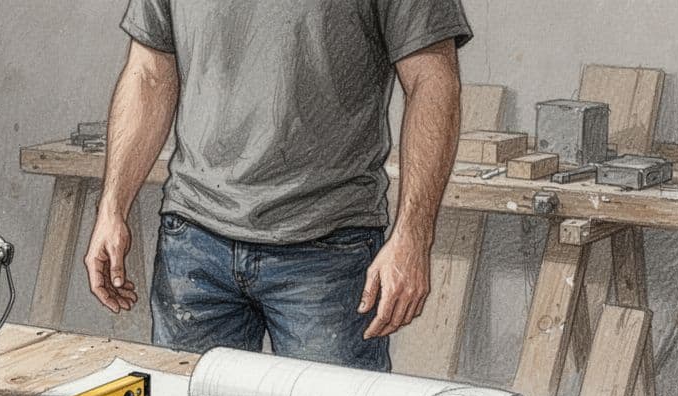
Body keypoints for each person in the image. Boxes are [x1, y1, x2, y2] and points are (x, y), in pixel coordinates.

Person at [83, 0, 472, 373]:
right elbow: (149, 73)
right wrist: (112, 207)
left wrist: (414, 237)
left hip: (327, 253)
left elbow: (433, 81)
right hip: (193, 246)